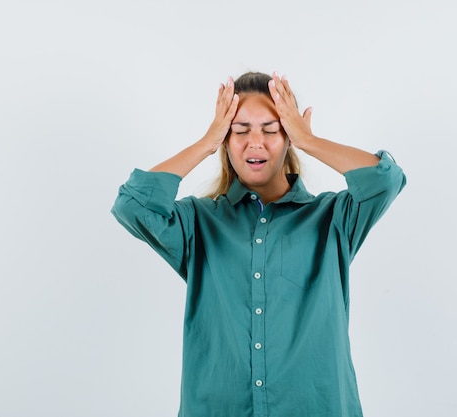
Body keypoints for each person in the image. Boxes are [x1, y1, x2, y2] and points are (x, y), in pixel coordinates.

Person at [111, 71, 406, 417]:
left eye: (271, 129)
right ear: (225, 137)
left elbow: (385, 181)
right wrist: (206, 143)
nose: (256, 143)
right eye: (239, 131)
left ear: (288, 137)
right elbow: (132, 206)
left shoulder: (333, 218)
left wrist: (308, 140)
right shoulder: (197, 222)